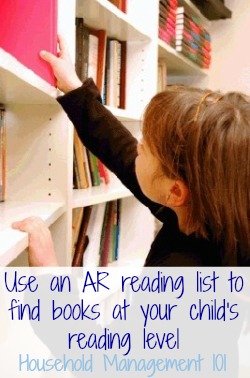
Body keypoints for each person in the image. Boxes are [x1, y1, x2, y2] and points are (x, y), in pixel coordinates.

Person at [13, 36, 250, 267]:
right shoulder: (207, 213)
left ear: (175, 191)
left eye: (145, 148)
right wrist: (74, 89)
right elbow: (120, 151)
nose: (136, 145)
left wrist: (48, 272)